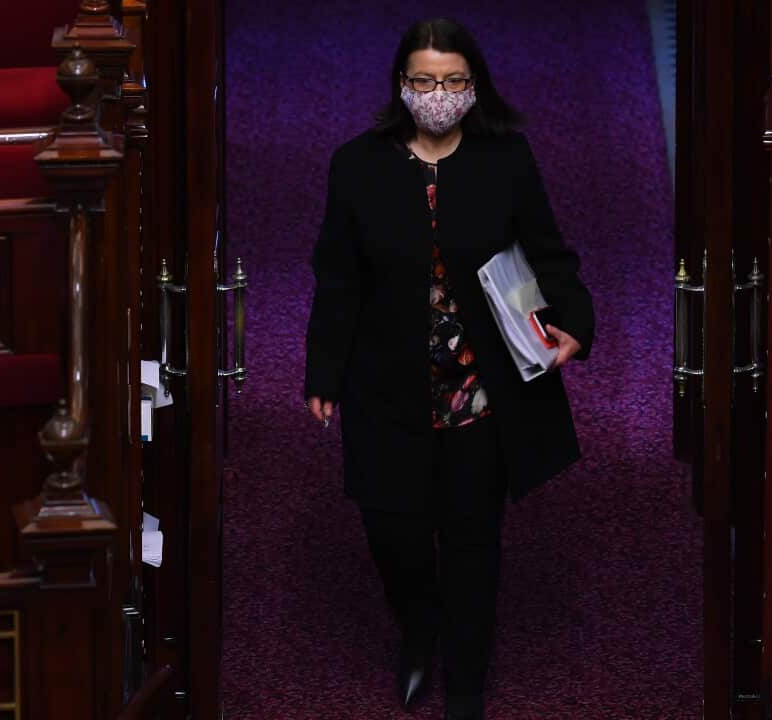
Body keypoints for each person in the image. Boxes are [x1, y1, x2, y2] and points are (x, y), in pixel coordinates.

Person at [303, 17, 594, 720]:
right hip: (386, 386)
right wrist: (324, 373)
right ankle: (418, 627)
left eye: (455, 81)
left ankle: (466, 680)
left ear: (475, 86)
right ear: (402, 86)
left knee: (472, 542)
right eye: (425, 81)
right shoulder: (357, 165)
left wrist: (574, 325)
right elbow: (337, 278)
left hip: (478, 392)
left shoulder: (506, 159)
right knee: (392, 531)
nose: (440, 94)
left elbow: (548, 254)